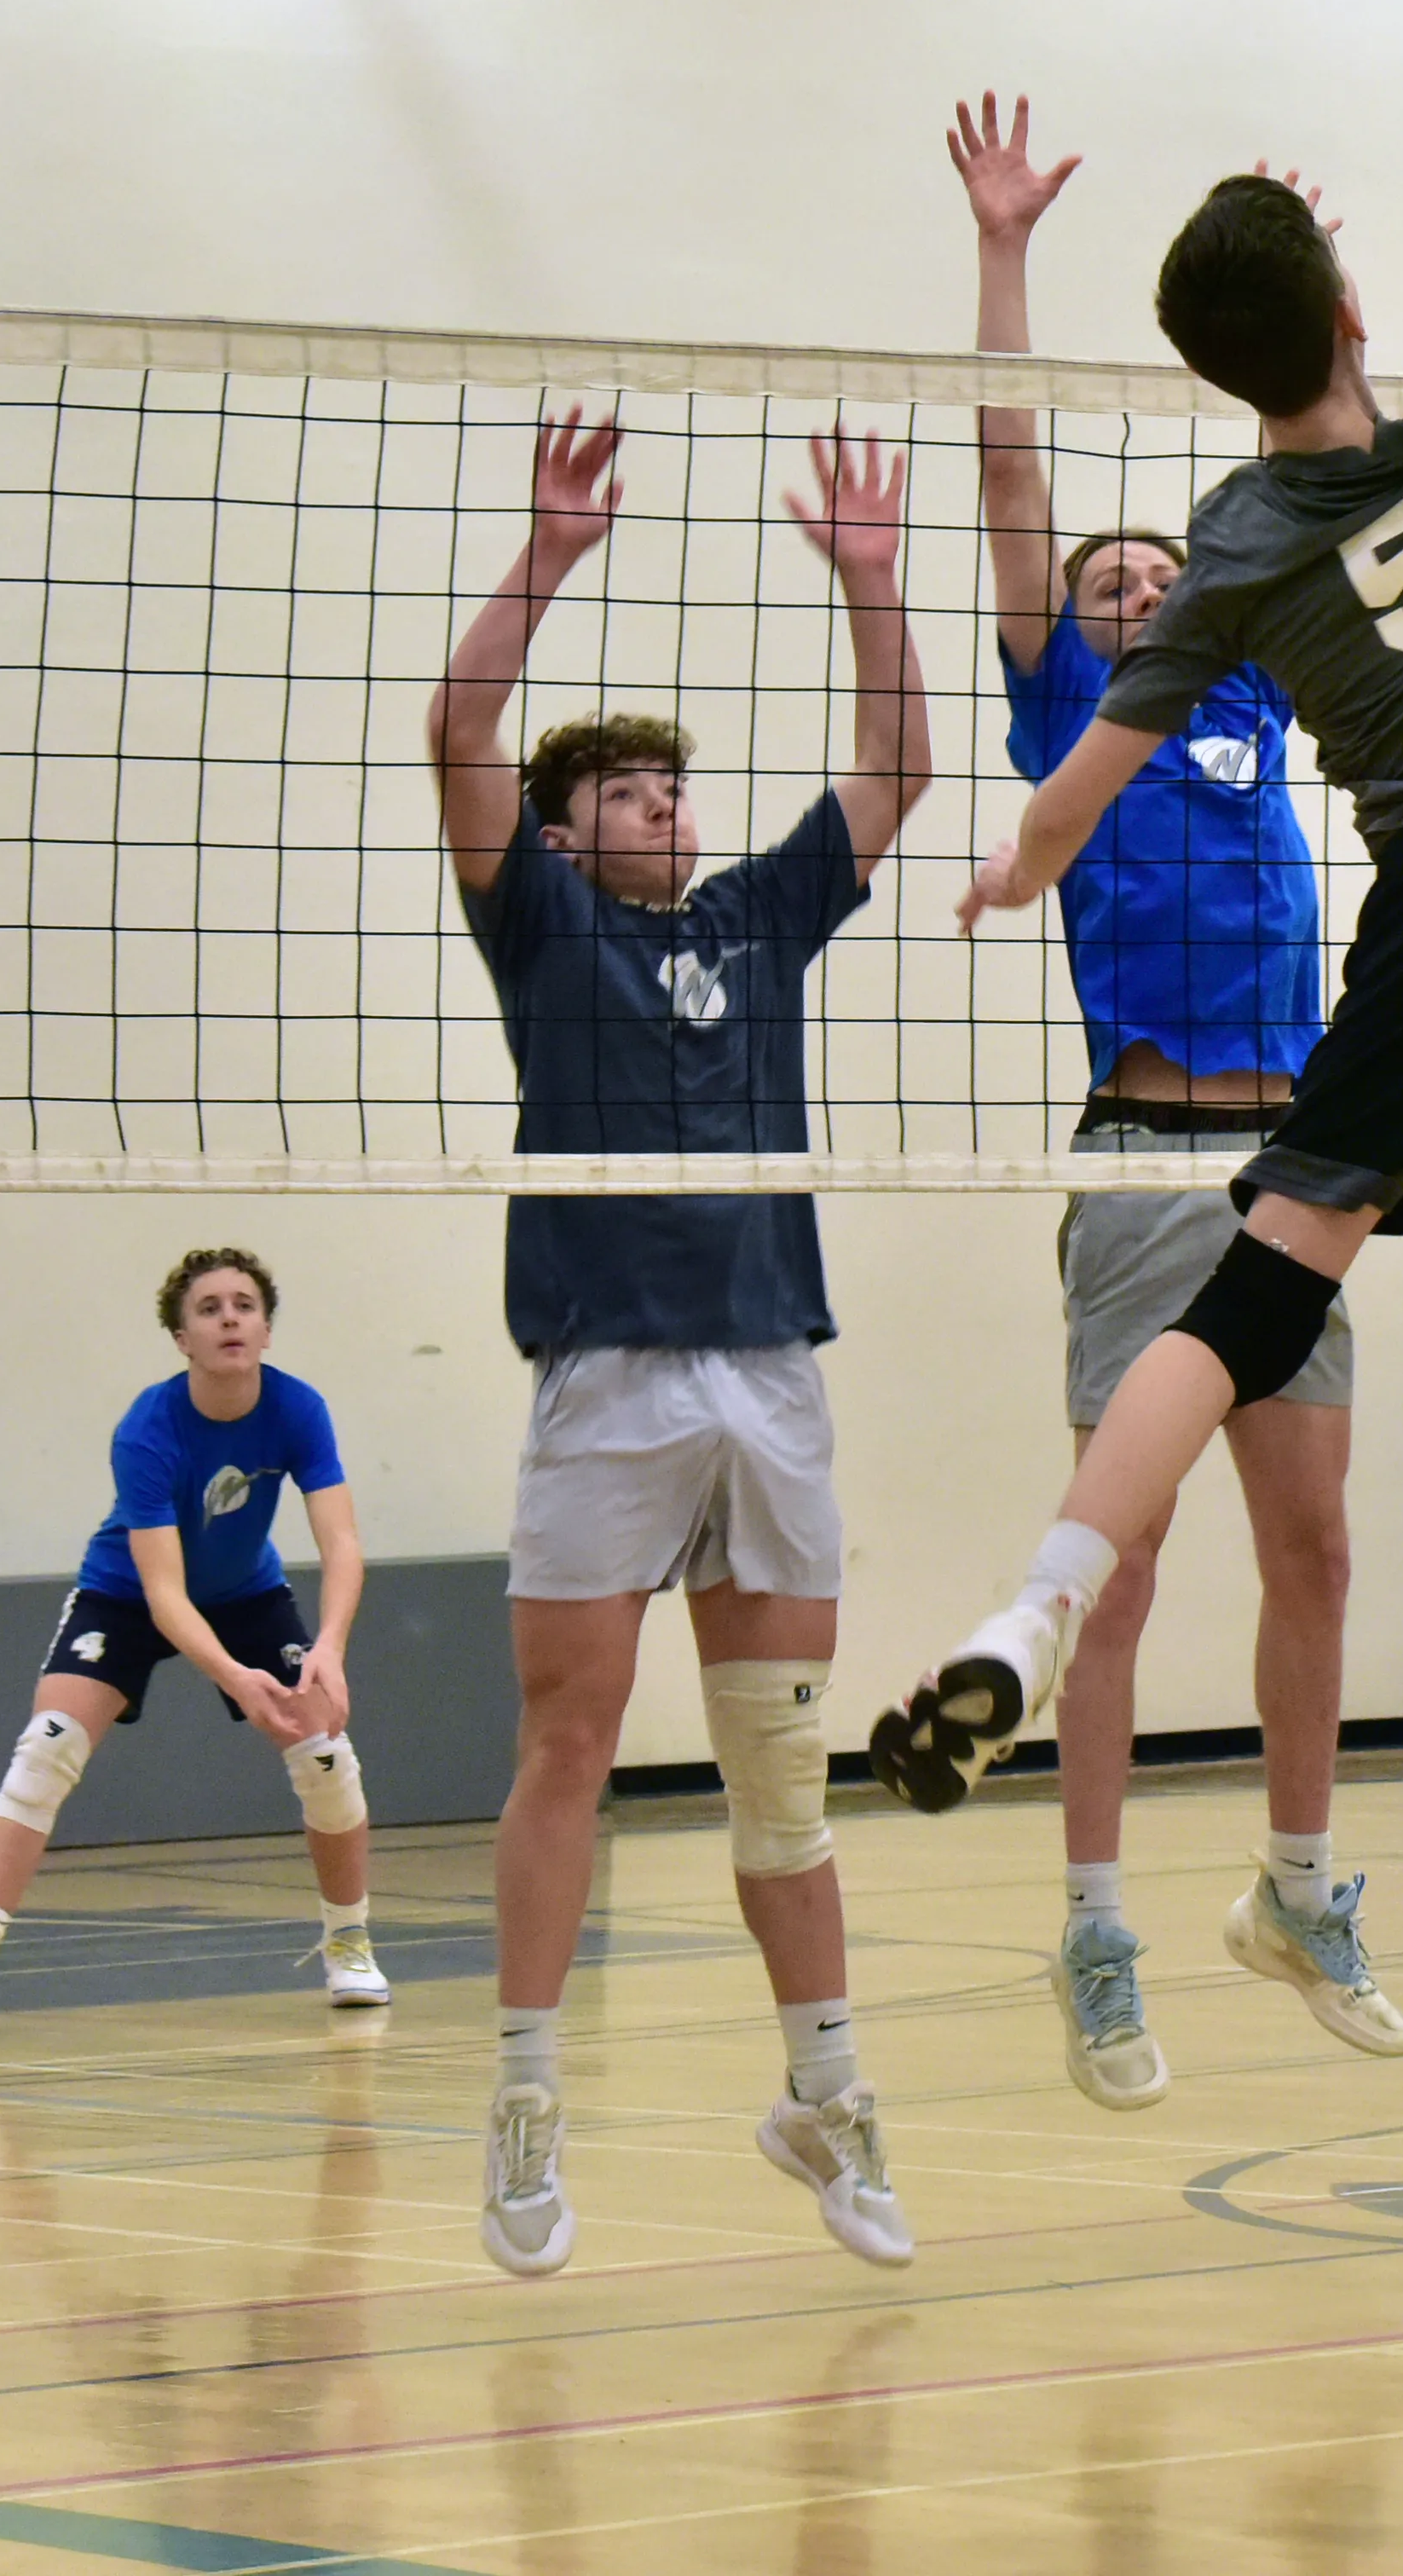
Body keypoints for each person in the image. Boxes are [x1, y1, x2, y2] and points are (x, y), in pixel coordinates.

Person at [896, 114, 1403, 1971]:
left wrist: (1018, 866)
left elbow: (1074, 795)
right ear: (1353, 306)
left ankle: (1035, 1613)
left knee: (1257, 1298)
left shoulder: (1232, 556)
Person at [427, 399, 930, 2279]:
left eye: (673, 789)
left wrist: (876, 589)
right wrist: (550, 557)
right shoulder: (542, 927)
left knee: (782, 1767)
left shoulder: (756, 916)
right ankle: (526, 2098)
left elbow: (903, 768)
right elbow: (459, 735)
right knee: (569, 1741)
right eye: (632, 792)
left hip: (770, 1371)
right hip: (611, 1381)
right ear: (566, 835)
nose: (668, 807)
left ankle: (828, 2089)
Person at [946, 94, 1403, 2113]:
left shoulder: (1248, 675)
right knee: (1111, 1571)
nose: (1132, 580)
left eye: (1153, 563)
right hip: (1144, 1157)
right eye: (1102, 572)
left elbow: (1329, 480)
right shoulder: (1080, 703)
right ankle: (1097, 1928)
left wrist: (1291, 285)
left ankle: (1299, 1882)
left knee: (1311, 1553)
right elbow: (1009, 465)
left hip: (1297, 1161)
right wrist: (1005, 250)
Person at [0, 1248, 384, 2030]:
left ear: (265, 1325)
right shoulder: (149, 1427)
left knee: (324, 1752)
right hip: (126, 1594)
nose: (230, 1318)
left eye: (245, 1304)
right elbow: (162, 1591)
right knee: (48, 1746)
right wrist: (232, 1675)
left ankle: (349, 1942)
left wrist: (328, 1646)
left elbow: (344, 1544)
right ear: (182, 1337)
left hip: (248, 1594)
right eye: (209, 1308)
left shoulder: (297, 1409)